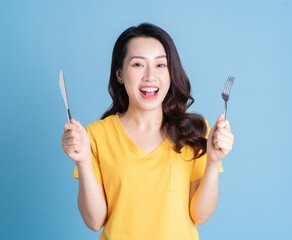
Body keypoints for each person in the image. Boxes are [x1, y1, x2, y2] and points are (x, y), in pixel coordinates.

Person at [61, 23, 234, 240]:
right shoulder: (95, 136)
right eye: (138, 65)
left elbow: (199, 216)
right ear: (120, 74)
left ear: (171, 73)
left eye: (161, 65)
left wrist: (214, 161)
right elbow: (94, 222)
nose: (150, 76)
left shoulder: (194, 132)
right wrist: (83, 161)